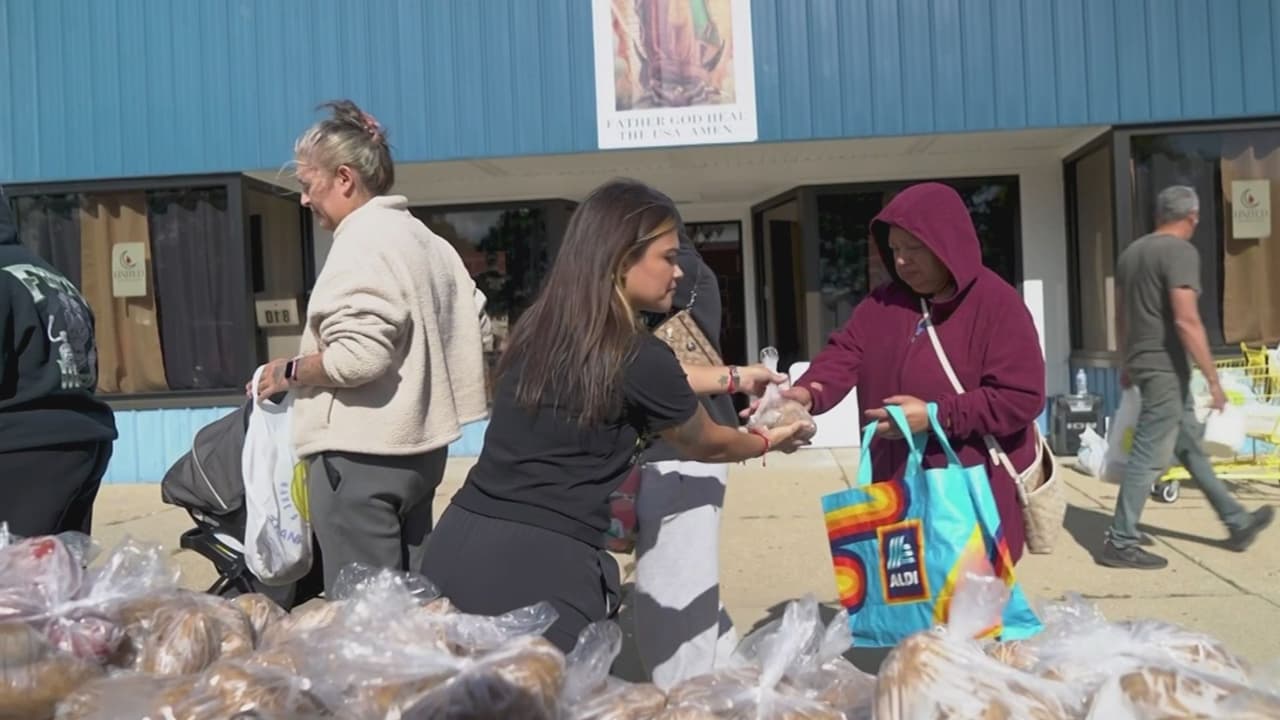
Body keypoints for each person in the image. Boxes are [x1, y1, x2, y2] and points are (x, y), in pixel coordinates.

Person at [422, 179, 811, 652]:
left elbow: (651, 378)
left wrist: (734, 378)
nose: (680, 274)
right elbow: (708, 441)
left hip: (458, 542)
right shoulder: (637, 355)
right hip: (539, 569)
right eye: (668, 258)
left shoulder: (541, 330)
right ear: (622, 259)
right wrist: (771, 439)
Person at [251, 100, 487, 592]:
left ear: (343, 178)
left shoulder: (362, 241)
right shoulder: (429, 241)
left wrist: (288, 371)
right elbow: (478, 327)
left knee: (369, 625)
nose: (303, 199)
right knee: (412, 608)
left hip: (361, 459)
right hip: (420, 456)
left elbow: (359, 357)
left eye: (306, 184)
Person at [762, 182, 1045, 564]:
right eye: (894, 250)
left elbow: (1021, 397)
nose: (901, 262)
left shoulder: (996, 304)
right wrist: (808, 393)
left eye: (914, 249)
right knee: (903, 608)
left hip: (970, 491)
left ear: (947, 244)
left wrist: (934, 416)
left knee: (969, 615)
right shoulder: (883, 303)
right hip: (897, 486)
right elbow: (845, 351)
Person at [1104, 185, 1273, 569]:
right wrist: (1213, 380)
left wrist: (1125, 361)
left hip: (1145, 362)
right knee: (1149, 456)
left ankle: (1237, 521)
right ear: (1193, 217)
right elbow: (1186, 318)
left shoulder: (1132, 254)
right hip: (1165, 366)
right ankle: (1120, 540)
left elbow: (1120, 315)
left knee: (1189, 447)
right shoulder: (1180, 252)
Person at [632, 236, 741, 689]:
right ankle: (726, 692)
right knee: (693, 596)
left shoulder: (679, 276)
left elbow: (663, 373)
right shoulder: (689, 273)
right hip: (683, 449)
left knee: (673, 606)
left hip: (678, 452)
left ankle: (686, 700)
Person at [0, 186, 118, 536]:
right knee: (57, 579)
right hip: (81, 444)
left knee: (17, 584)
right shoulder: (44, 272)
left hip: (20, 449)